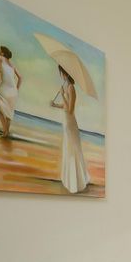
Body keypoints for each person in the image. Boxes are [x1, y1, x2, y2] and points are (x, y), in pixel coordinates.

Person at [51, 65, 89, 193]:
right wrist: (55, 104)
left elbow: (71, 110)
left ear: (65, 73)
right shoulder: (67, 87)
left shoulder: (71, 88)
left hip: (70, 122)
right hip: (66, 121)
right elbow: (65, 106)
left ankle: (76, 182)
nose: (60, 75)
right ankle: (68, 179)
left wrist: (62, 95)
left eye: (61, 72)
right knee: (68, 148)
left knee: (73, 148)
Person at [0, 45, 22, 137]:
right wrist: (16, 89)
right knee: (9, 113)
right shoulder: (12, 64)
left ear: (2, 53)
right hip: (13, 91)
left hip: (4, 88)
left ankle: (5, 131)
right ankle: (6, 132)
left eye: (0, 51)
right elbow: (20, 78)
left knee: (0, 111)